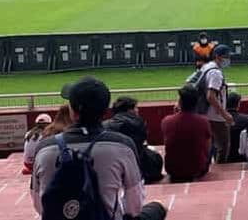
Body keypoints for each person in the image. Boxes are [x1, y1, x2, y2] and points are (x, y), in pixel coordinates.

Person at [31, 77, 166, 220]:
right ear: (104, 110)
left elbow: (39, 205)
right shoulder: (122, 146)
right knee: (158, 208)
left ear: (73, 110)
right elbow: (134, 206)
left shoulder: (44, 148)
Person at [186, 44, 234, 164]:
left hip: (203, 113)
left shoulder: (207, 67)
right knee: (223, 146)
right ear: (217, 57)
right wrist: (225, 114)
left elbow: (190, 81)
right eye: (226, 56)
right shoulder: (216, 73)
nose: (228, 59)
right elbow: (211, 96)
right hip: (215, 115)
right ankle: (220, 169)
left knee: (208, 144)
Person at [104, 96, 163, 184]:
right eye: (136, 108)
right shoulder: (138, 122)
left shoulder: (104, 125)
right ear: (129, 110)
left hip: (112, 169)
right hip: (138, 169)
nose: (137, 110)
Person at [161, 85, 212, 182]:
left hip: (173, 170)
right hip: (197, 169)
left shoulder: (167, 121)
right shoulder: (204, 121)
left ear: (180, 102)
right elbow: (207, 148)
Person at [226, 92, 248, 163]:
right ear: (238, 104)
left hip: (225, 158)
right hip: (241, 158)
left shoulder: (219, 121)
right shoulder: (246, 119)